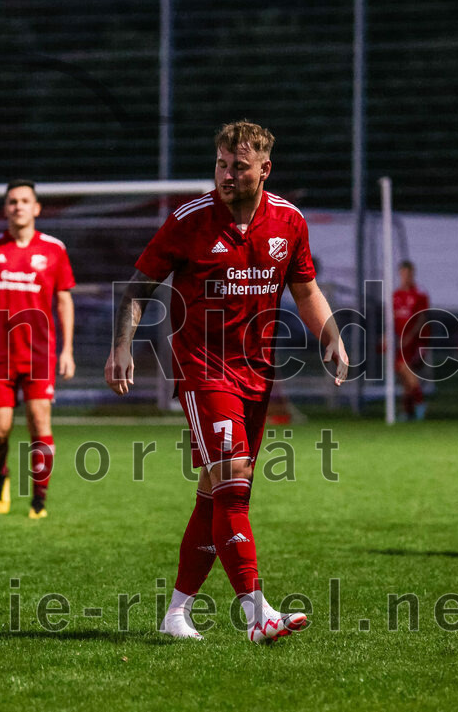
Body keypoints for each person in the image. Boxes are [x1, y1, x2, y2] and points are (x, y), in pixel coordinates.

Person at [104, 121, 348, 644]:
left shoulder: (289, 220)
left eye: (238, 166)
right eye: (220, 164)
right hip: (204, 372)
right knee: (234, 489)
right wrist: (121, 346)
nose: (227, 174)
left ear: (264, 170)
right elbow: (137, 288)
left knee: (215, 496)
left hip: (257, 375)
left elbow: (304, 291)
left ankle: (176, 614)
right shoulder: (189, 220)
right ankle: (258, 614)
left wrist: (330, 335)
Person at [0, 180, 75, 519]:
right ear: (5, 208)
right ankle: (1, 474)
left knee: (40, 423)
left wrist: (67, 349)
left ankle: (39, 498)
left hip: (40, 355)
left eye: (25, 201)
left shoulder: (54, 250)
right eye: (12, 201)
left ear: (36, 208)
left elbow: (64, 300)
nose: (18, 206)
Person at [392, 261, 430, 420]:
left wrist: (410, 336)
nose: (406, 277)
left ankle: (420, 404)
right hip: (399, 341)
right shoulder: (396, 295)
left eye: (409, 274)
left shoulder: (420, 295)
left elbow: (422, 318)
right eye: (403, 274)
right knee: (405, 378)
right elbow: (392, 318)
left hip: (414, 342)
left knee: (405, 369)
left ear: (413, 274)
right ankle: (408, 411)